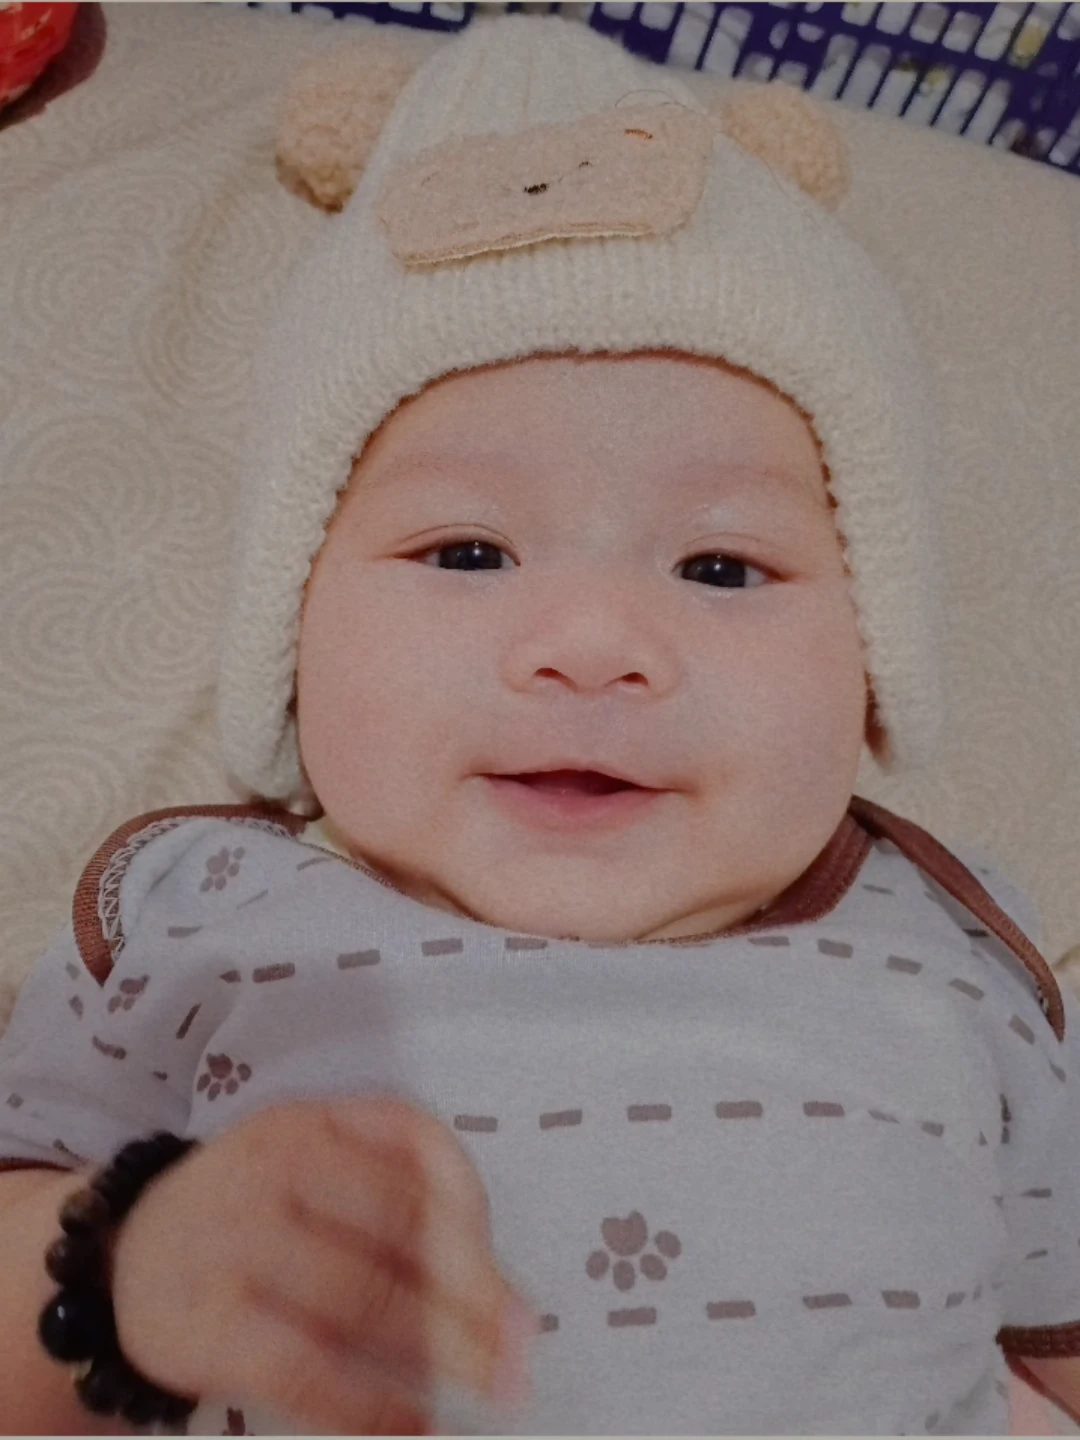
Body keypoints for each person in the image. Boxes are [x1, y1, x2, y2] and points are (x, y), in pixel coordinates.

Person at [0, 13, 1078, 1437]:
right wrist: (133, 1265)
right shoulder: (208, 916)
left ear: (876, 660)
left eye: (721, 569)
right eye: (467, 553)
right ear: (294, 629)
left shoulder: (955, 949)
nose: (593, 648)